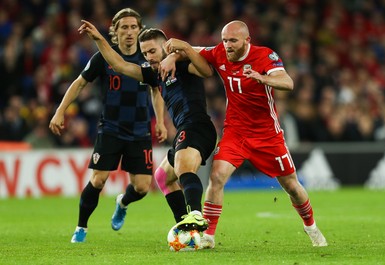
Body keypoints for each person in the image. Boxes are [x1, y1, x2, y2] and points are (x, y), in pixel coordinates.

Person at [162, 20, 328, 248]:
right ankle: (208, 236)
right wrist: (172, 57)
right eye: (224, 40)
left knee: (291, 185)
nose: (227, 45)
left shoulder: (265, 56)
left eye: (233, 41)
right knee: (217, 176)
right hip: (236, 131)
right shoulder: (220, 52)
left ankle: (311, 227)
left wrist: (263, 78)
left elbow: (287, 82)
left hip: (267, 134)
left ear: (247, 41)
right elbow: (193, 52)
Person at [78, 21, 217, 231]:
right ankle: (185, 227)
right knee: (163, 177)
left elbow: (206, 70)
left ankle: (196, 216)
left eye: (152, 50)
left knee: (182, 167)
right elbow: (120, 65)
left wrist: (180, 52)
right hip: (185, 129)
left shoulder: (183, 64)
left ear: (165, 47)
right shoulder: (153, 73)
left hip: (197, 126)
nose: (149, 56)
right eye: (145, 53)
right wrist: (99, 39)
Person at [49, 8, 167, 243]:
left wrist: (161, 121)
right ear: (115, 31)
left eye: (134, 27)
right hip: (111, 128)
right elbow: (79, 83)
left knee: (143, 187)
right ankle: (81, 228)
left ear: (140, 29)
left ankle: (122, 202)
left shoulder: (148, 58)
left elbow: (156, 90)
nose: (130, 32)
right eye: (124, 27)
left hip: (140, 130)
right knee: (98, 180)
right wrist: (60, 111)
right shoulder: (103, 57)